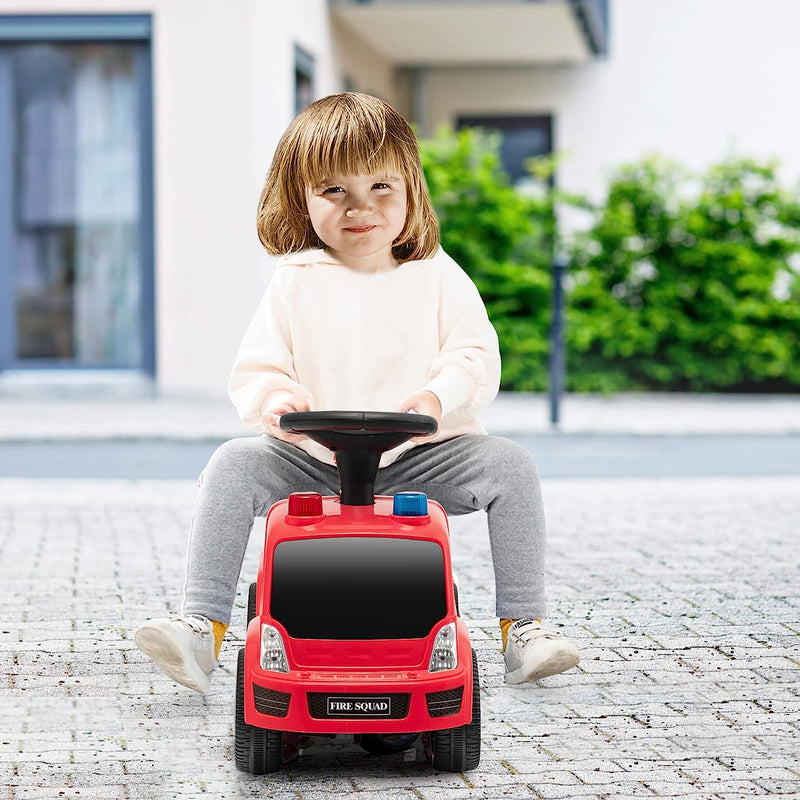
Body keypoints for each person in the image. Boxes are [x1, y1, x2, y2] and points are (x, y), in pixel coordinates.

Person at [134, 92, 579, 694]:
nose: (359, 208)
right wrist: (278, 401)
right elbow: (260, 366)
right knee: (233, 464)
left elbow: (473, 355)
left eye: (380, 188)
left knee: (512, 466)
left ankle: (523, 628)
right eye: (335, 191)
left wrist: (435, 397)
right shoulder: (296, 280)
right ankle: (200, 628)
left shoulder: (436, 273)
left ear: (410, 191)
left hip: (419, 455)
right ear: (302, 197)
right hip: (313, 458)